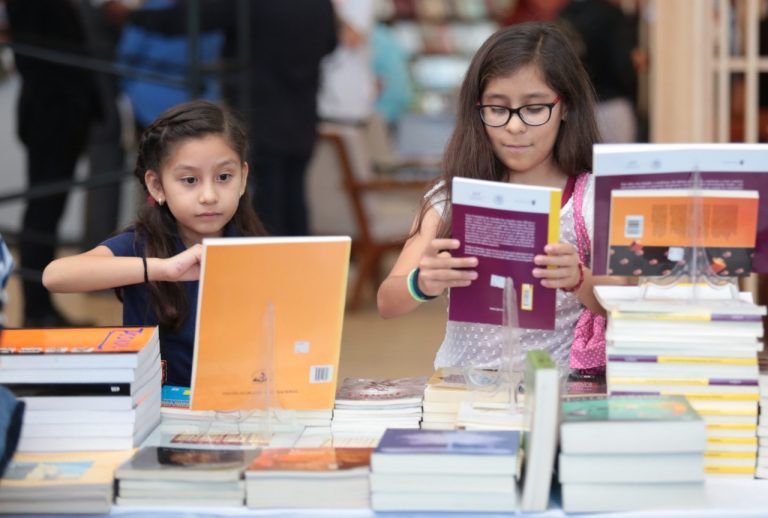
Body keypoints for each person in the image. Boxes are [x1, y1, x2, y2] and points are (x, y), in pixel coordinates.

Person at [377, 22, 617, 373]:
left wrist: (580, 278)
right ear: (478, 110)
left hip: (555, 388)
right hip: (461, 389)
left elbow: (624, 303)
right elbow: (387, 301)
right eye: (498, 108)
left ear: (565, 107)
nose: (514, 126)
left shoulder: (591, 200)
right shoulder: (449, 199)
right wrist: (421, 282)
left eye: (534, 109)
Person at [42, 100, 266, 387]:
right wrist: (162, 269)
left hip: (236, 408)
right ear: (157, 186)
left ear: (243, 178)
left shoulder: (254, 248)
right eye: (189, 180)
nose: (209, 195)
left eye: (224, 177)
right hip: (157, 414)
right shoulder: (141, 244)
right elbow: (55, 276)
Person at [6, 0, 102, 327]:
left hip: (57, 113)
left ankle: (40, 308)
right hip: (52, 115)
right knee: (43, 213)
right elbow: (38, 56)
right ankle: (37, 310)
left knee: (46, 212)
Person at [557, 0, 639, 143]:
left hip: (575, 108)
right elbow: (622, 65)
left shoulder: (567, 13)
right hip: (612, 105)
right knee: (616, 163)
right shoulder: (613, 15)